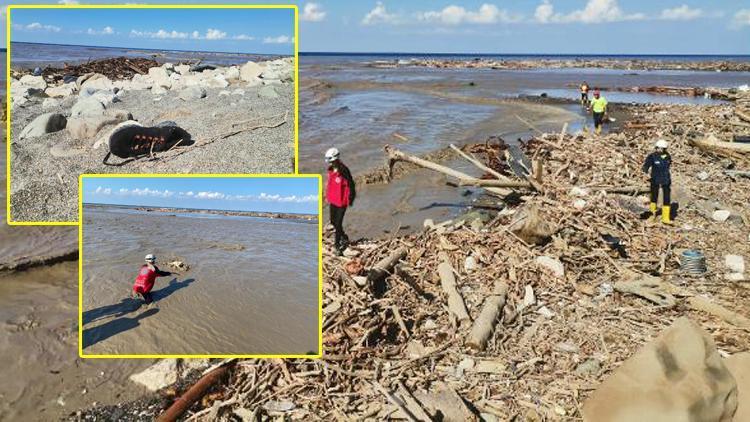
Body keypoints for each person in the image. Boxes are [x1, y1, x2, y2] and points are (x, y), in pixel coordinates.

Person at [325, 147, 356, 256]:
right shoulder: (330, 170)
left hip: (342, 201)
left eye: (331, 161)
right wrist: (326, 196)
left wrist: (351, 198)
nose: (330, 163)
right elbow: (330, 184)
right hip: (333, 200)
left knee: (338, 224)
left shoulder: (344, 170)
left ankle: (337, 245)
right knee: (333, 222)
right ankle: (344, 237)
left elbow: (351, 184)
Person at [642, 139, 672, 224]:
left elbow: (668, 165)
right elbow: (646, 166)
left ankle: (666, 217)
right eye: (658, 148)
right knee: (654, 196)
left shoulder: (667, 156)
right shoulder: (652, 156)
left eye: (662, 148)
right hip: (655, 178)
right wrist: (645, 173)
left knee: (666, 197)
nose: (660, 150)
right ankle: (652, 215)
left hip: (666, 179)